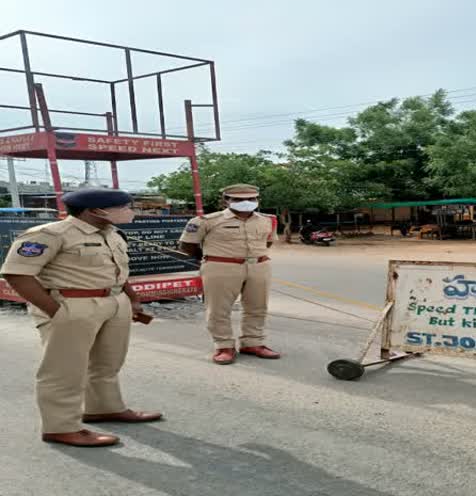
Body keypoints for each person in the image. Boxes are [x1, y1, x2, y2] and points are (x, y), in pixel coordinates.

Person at [0, 188, 162, 447]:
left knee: (107, 362)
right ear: (96, 211)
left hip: (114, 302)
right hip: (72, 305)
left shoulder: (112, 233)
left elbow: (117, 270)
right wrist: (55, 311)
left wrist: (132, 299)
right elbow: (17, 274)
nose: (129, 212)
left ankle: (104, 407)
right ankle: (61, 427)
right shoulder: (51, 234)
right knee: (64, 369)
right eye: (124, 207)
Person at [179, 184, 280, 365]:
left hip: (259, 266)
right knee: (219, 309)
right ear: (225, 200)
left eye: (251, 199)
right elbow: (187, 245)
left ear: (258, 200)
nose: (246, 203)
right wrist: (212, 260)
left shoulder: (268, 220)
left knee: (257, 307)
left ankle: (253, 342)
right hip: (221, 267)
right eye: (238, 199)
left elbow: (268, 242)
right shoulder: (205, 221)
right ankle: (224, 345)